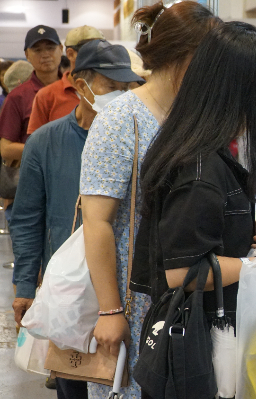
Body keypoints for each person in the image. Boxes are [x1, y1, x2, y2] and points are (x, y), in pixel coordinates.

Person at [79, 3, 220, 398]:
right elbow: (97, 220)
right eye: (209, 60)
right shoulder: (120, 119)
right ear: (183, 55)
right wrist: (110, 310)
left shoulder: (189, 118)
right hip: (131, 297)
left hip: (176, 298)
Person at [133, 24, 256, 370]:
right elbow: (182, 272)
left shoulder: (202, 151)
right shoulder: (200, 168)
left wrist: (239, 234)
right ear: (232, 91)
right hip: (196, 348)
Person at [11, 39, 143, 399]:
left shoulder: (136, 137)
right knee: (72, 382)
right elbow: (26, 218)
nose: (121, 95)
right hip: (69, 290)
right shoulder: (46, 142)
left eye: (126, 87)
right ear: (80, 85)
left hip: (125, 291)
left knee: (120, 382)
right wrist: (24, 285)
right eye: (111, 87)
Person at [0, 25, 63, 219]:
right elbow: (6, 148)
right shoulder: (17, 97)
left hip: (67, 190)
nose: (45, 54)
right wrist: (47, 148)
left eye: (50, 48)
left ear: (61, 50)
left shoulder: (76, 92)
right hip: (28, 192)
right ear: (27, 55)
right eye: (37, 49)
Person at [27, 25, 105, 134]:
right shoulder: (46, 95)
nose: (96, 56)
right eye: (88, 51)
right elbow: (36, 145)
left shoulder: (110, 92)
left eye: (101, 50)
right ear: (70, 54)